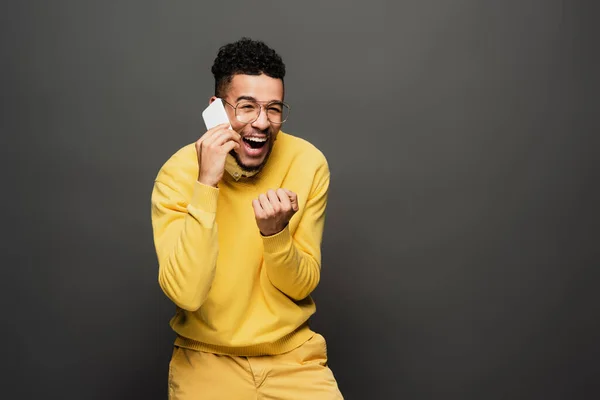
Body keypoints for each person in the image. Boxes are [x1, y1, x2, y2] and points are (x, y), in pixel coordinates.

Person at [150, 37, 343, 399]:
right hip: (206, 362)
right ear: (217, 110)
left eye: (273, 108)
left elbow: (302, 286)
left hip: (293, 359)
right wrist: (206, 182)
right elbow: (186, 294)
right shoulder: (177, 174)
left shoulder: (308, 163)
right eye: (246, 106)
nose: (261, 122)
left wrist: (276, 235)